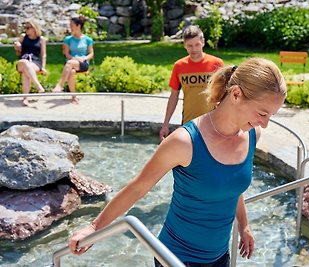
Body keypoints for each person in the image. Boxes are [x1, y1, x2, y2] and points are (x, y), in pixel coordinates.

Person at [68, 57, 287, 267]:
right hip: (176, 257)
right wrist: (94, 227)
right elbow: (138, 187)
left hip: (220, 256)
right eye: (262, 114)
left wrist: (244, 225)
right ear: (236, 94)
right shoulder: (185, 142)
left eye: (271, 116)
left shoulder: (251, 135)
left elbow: (231, 184)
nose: (265, 124)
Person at [159, 25, 224, 141]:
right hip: (189, 124)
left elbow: (225, 94)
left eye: (197, 45)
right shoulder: (179, 66)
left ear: (203, 42)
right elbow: (174, 96)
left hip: (213, 123)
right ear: (184, 45)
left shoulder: (217, 64)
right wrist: (165, 124)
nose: (194, 49)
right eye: (190, 46)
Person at [52, 16, 94, 104]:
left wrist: (84, 58)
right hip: (71, 62)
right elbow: (66, 54)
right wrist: (74, 58)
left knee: (69, 63)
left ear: (78, 26)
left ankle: (60, 85)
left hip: (83, 63)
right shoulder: (68, 39)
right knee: (71, 71)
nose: (70, 27)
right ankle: (73, 97)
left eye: (72, 25)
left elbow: (91, 54)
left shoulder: (87, 39)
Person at [14, 20, 47, 106]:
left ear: (34, 28)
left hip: (35, 61)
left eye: (28, 28)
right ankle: (38, 86)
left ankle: (25, 98)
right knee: (25, 63)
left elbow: (43, 54)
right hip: (23, 60)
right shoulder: (23, 37)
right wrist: (17, 47)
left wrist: (43, 67)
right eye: (25, 28)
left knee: (26, 71)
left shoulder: (41, 39)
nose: (26, 30)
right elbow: (18, 53)